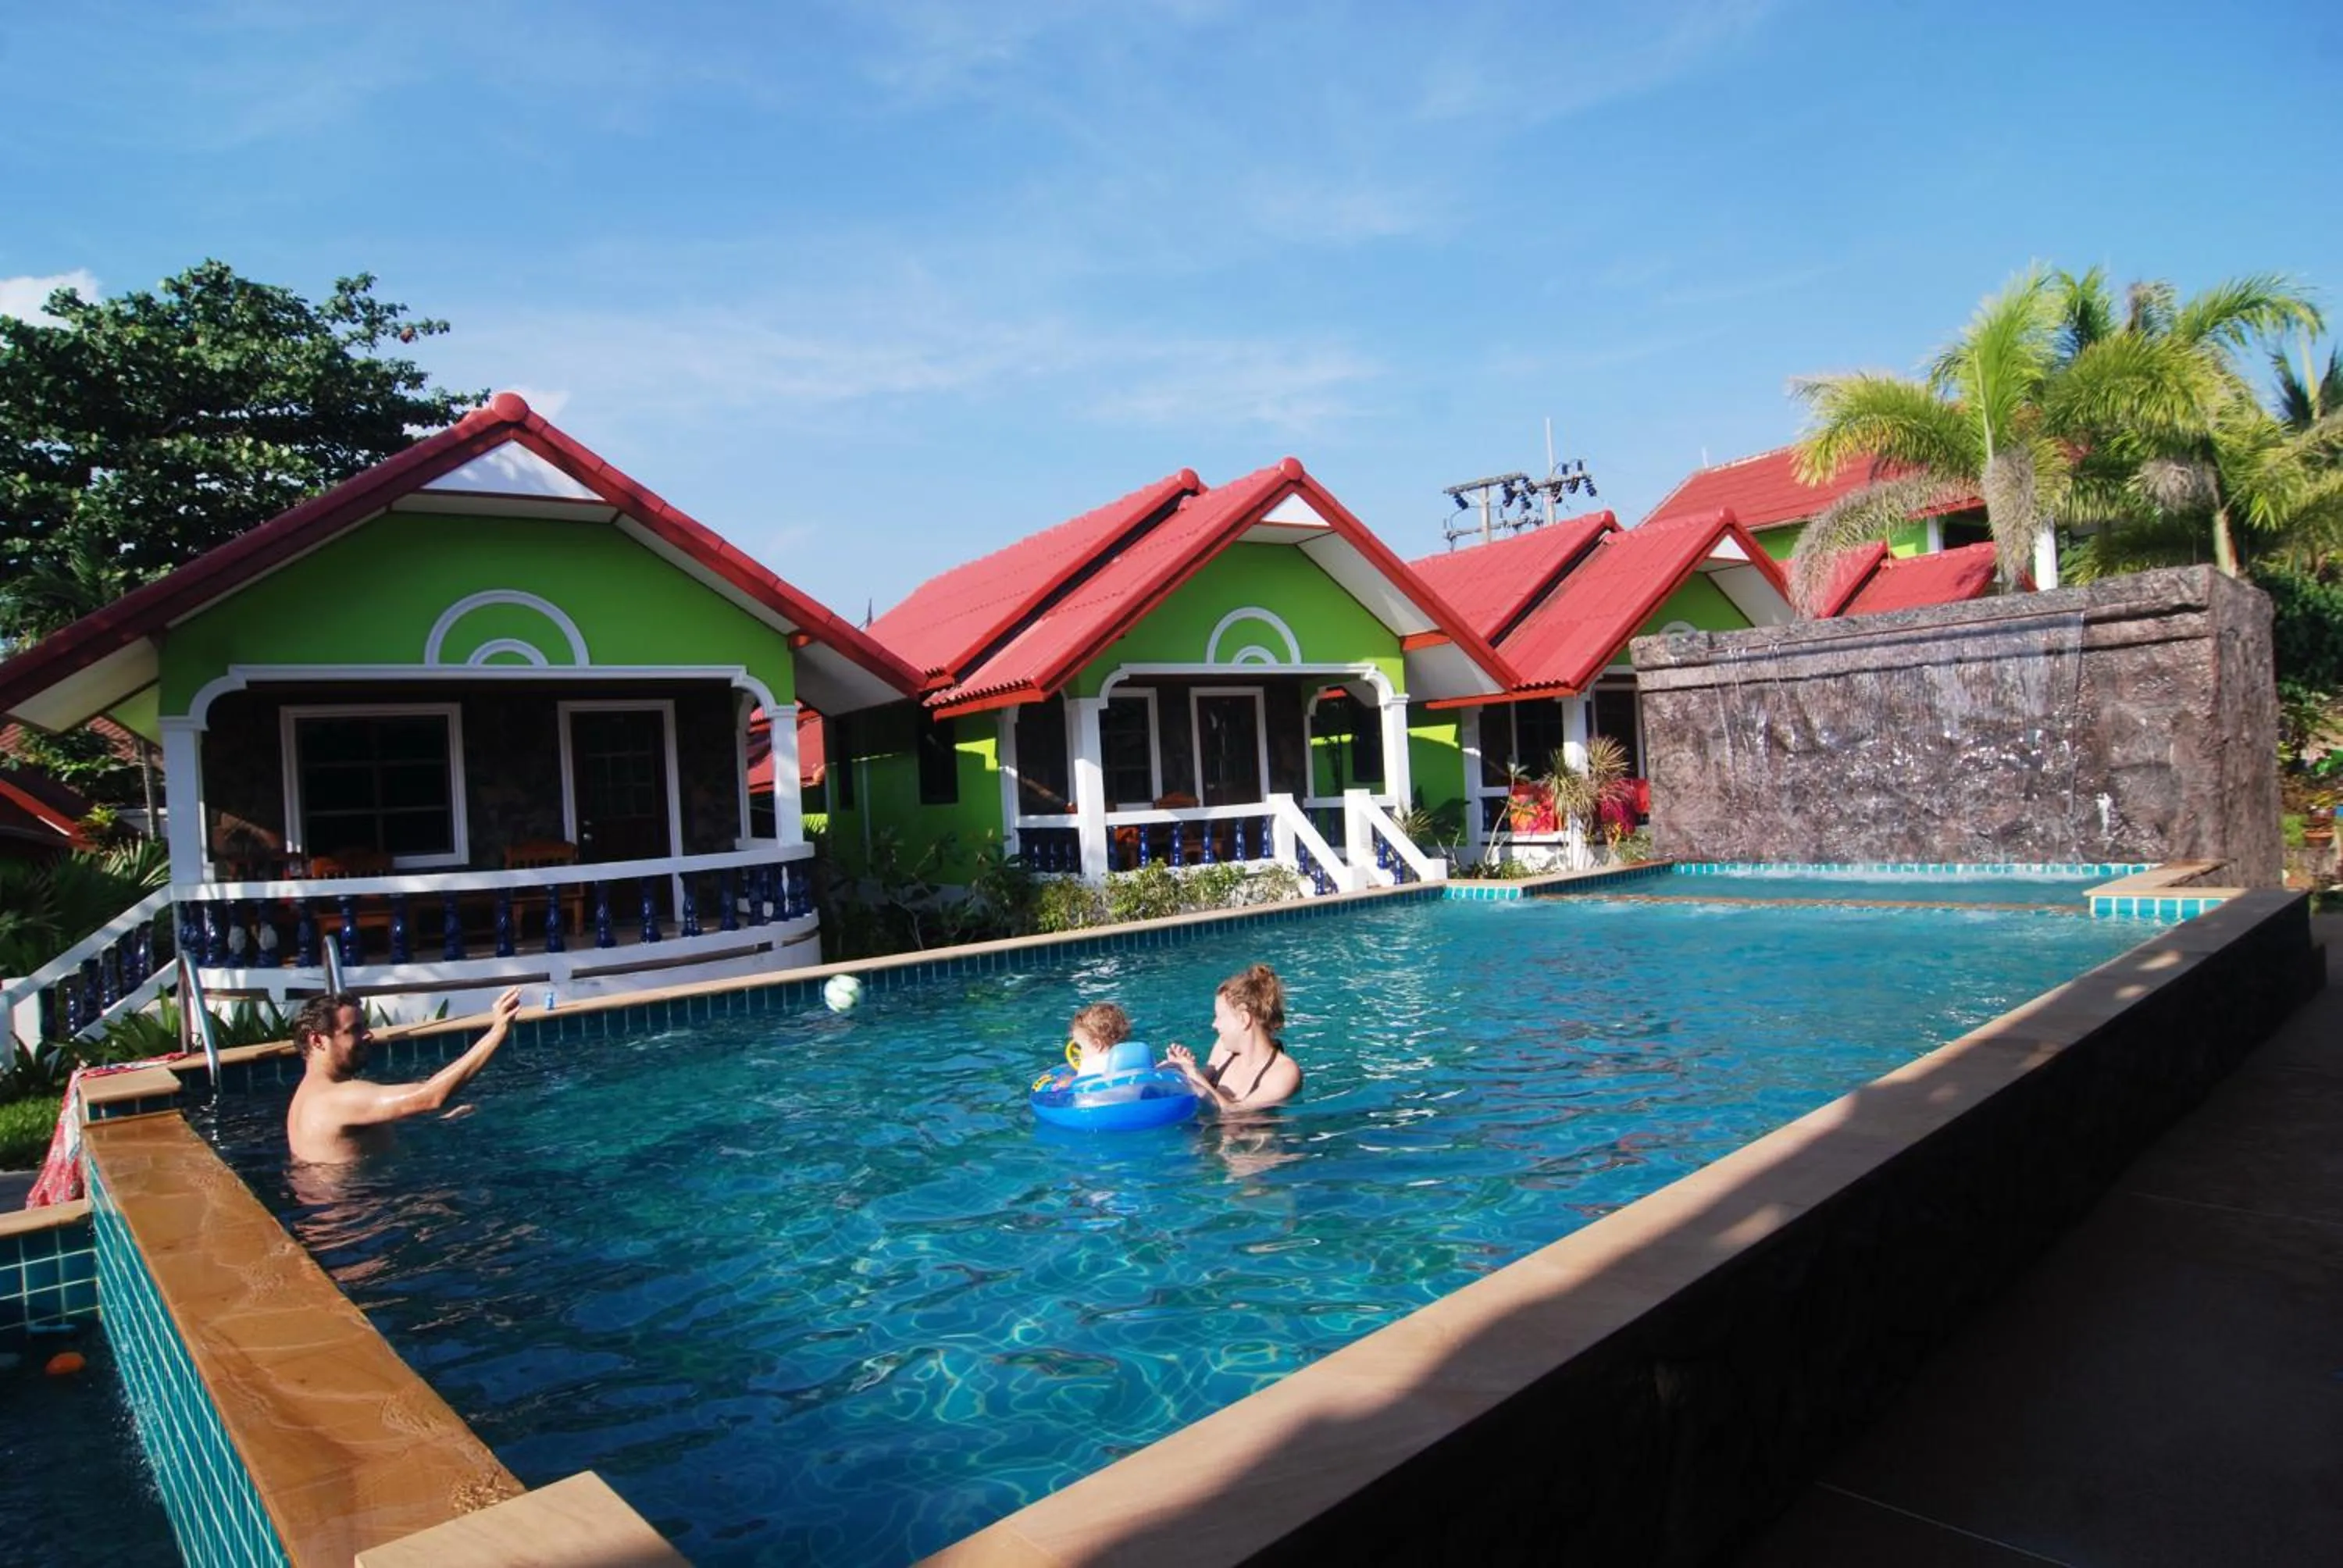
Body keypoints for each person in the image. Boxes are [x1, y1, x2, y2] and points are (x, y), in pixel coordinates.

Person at [287, 987, 522, 1164]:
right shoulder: (335, 1098)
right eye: (354, 1030)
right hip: (364, 1220)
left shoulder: (307, 1095)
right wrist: (497, 1032)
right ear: (318, 1041)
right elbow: (431, 1095)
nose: (368, 1035)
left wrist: (438, 1124)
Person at [1164, 964, 1301, 1110]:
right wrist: (1181, 1068)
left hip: (1249, 1132)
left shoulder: (1284, 1073)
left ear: (1244, 1019)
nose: (1214, 1025)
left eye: (1219, 1017)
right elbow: (1203, 1082)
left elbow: (1235, 1113)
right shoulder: (1224, 1047)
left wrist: (1192, 1073)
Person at [1068, 1001, 1133, 1078]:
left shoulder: (1090, 1065)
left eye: (1081, 1047)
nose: (1081, 1052)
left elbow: (1079, 1084)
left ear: (1096, 1045)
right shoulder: (1132, 1059)